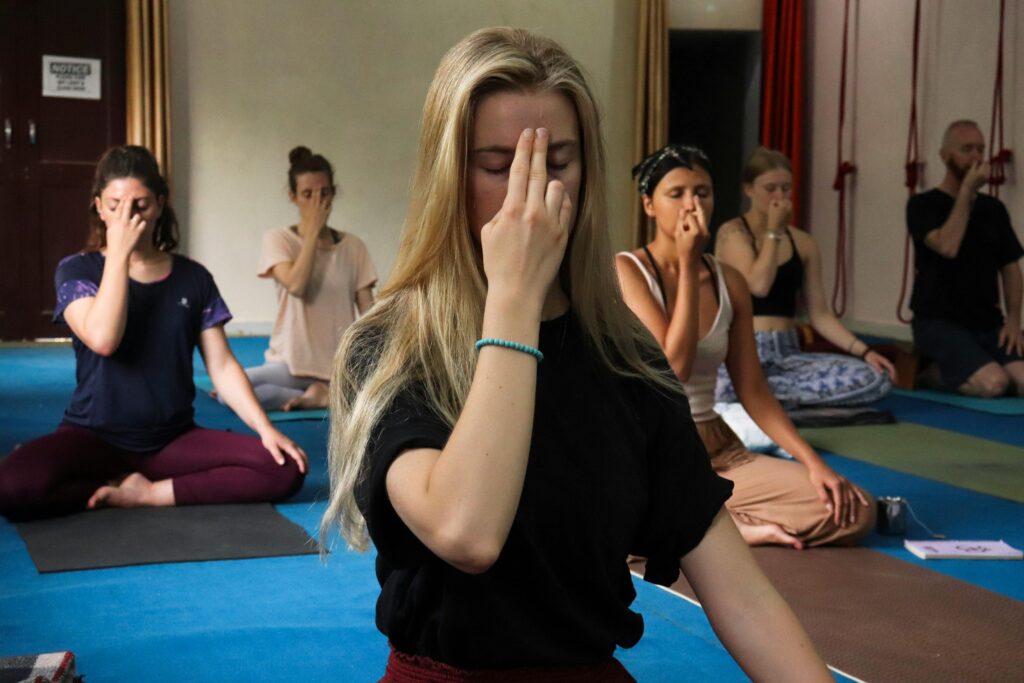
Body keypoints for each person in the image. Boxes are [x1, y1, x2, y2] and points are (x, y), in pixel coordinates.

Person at [320, 28, 831, 682]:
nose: (531, 194)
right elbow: (468, 533)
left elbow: (744, 597)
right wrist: (515, 296)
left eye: (557, 162)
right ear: (450, 177)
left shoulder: (624, 357)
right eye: (499, 167)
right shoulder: (391, 347)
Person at [0, 145, 307, 521]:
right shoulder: (77, 270)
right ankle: (108, 481)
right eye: (115, 206)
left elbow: (222, 366)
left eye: (140, 205)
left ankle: (149, 493)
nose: (127, 217)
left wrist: (265, 428)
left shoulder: (193, 277)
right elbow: (104, 339)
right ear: (99, 208)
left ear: (160, 204)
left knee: (284, 468)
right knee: (12, 487)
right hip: (93, 436)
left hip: (171, 441)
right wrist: (119, 255)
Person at [617, 144, 874, 550]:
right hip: (651, 454)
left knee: (853, 509)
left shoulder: (730, 281)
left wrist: (813, 463)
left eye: (702, 193)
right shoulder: (627, 271)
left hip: (717, 449)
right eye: (676, 194)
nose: (692, 205)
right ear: (650, 205)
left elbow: (753, 390)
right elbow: (674, 368)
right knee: (612, 517)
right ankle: (718, 526)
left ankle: (711, 524)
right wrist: (688, 265)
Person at [714, 148, 896, 408]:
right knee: (717, 386)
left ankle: (761, 397)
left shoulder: (804, 242)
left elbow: (819, 314)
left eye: (786, 188)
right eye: (770, 189)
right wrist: (774, 232)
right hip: (742, 350)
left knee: (875, 378)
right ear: (749, 190)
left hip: (787, 354)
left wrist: (864, 351)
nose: (779, 197)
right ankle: (759, 396)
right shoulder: (732, 233)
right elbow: (759, 285)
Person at [245, 146, 377, 411]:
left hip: (338, 366)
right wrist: (313, 233)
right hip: (290, 364)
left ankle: (326, 394)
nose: (317, 203)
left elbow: (369, 314)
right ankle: (323, 396)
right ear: (293, 197)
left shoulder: (353, 247)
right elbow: (296, 285)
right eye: (307, 194)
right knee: (232, 390)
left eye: (324, 193)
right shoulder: (279, 239)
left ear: (334, 193)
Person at [907, 120, 1024, 396]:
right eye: (966, 149)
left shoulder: (993, 209)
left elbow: (1010, 267)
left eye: (980, 150)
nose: (975, 157)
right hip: (938, 322)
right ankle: (933, 374)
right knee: (994, 385)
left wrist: (1013, 321)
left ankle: (976, 364)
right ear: (945, 155)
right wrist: (966, 193)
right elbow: (948, 246)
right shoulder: (922, 205)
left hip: (987, 322)